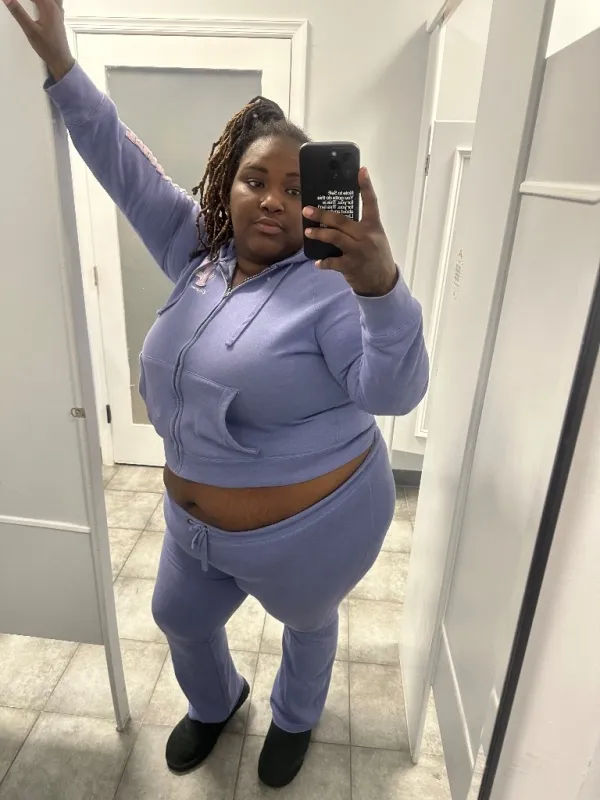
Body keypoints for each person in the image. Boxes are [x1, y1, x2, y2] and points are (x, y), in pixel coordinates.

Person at [5, 0, 429, 788]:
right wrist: (62, 66)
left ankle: (295, 717)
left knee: (307, 623)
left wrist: (381, 290)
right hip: (193, 529)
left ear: (317, 204)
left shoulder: (333, 288)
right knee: (177, 616)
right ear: (227, 186)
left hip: (311, 533)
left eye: (294, 188)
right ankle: (217, 700)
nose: (271, 199)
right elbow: (122, 162)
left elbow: (394, 392)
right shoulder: (198, 254)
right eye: (254, 179)